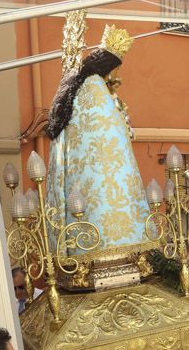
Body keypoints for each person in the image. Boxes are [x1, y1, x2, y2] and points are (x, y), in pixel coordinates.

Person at [46, 25, 150, 254]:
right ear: (108, 67)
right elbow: (110, 136)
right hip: (99, 184)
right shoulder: (94, 87)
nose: (117, 77)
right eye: (116, 69)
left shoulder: (79, 85)